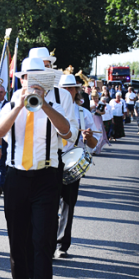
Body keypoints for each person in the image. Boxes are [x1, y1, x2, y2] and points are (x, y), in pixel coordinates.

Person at [0, 57, 77, 279]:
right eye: (29, 77)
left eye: (40, 78)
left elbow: (68, 134)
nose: (34, 82)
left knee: (42, 239)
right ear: (21, 80)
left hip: (47, 177)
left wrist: (45, 106)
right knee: (17, 239)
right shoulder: (11, 101)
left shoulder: (60, 99)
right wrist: (19, 106)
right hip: (16, 176)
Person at [55, 74, 100, 258]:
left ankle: (61, 245)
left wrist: (88, 137)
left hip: (72, 163)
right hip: (51, 162)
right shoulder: (51, 109)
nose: (67, 91)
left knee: (68, 204)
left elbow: (93, 144)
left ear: (76, 91)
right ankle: (46, 242)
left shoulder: (84, 113)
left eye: (71, 88)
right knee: (48, 205)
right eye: (64, 88)